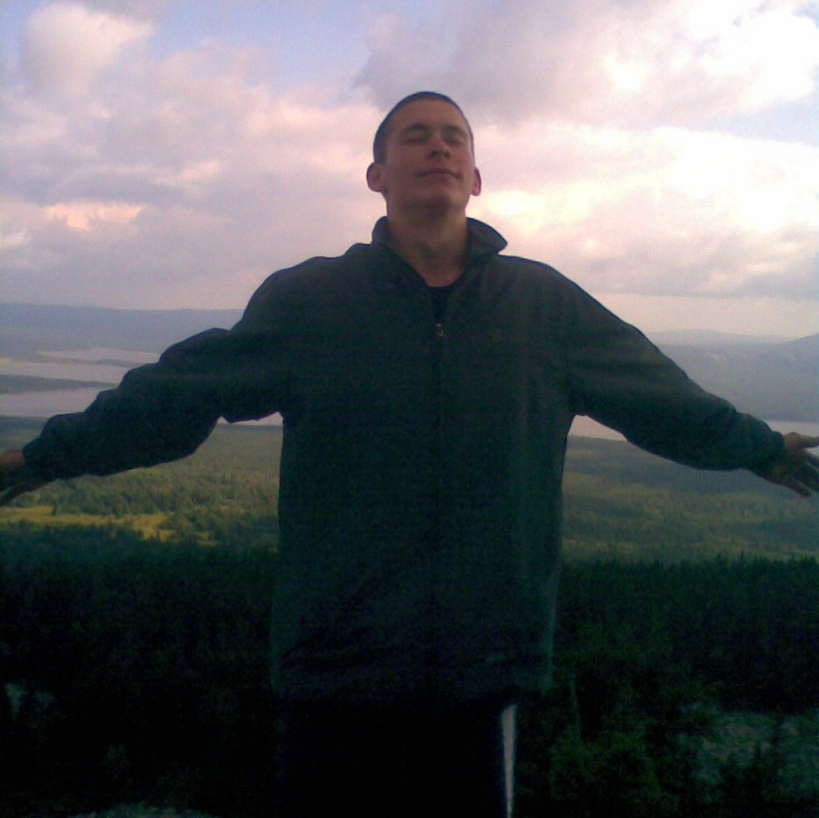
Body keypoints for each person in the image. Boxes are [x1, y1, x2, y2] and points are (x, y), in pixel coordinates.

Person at [1, 91, 817, 817]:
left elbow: (656, 396)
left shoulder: (541, 305)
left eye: (454, 137)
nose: (438, 146)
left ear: (476, 176)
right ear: (376, 176)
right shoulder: (311, 301)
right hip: (335, 665)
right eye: (415, 135)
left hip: (481, 669)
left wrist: (757, 446)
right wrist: (41, 460)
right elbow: (175, 394)